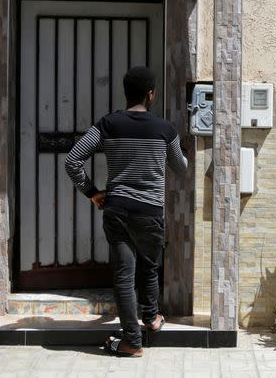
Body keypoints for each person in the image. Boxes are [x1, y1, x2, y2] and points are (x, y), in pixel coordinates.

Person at [65, 66, 188, 357]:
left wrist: (92, 193)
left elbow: (72, 161)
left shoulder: (108, 124)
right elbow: (181, 167)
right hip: (150, 211)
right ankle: (152, 318)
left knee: (124, 275)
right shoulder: (164, 129)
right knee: (149, 267)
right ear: (150, 94)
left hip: (117, 208)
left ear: (126, 93)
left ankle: (132, 340)